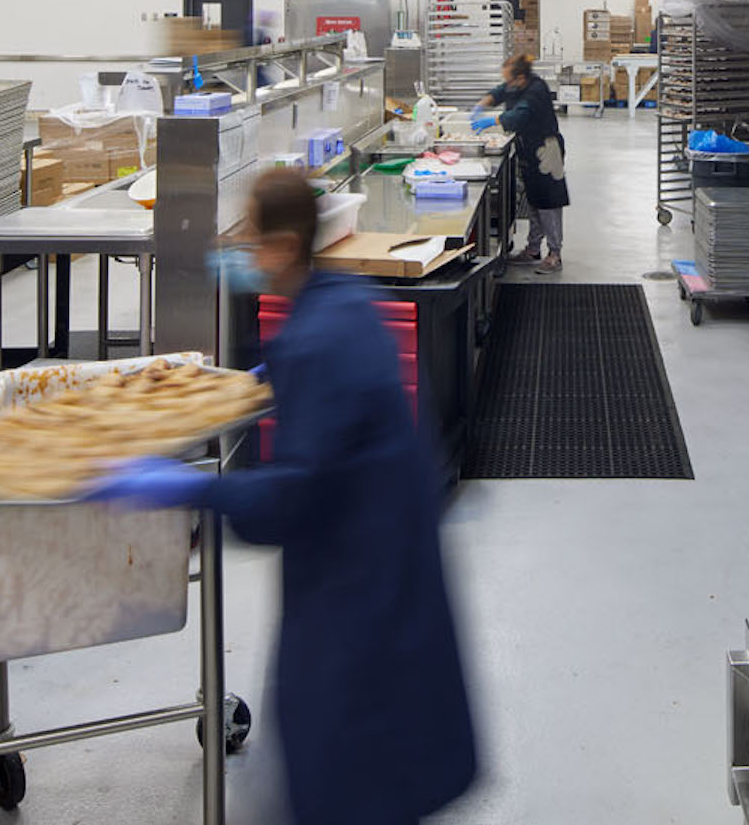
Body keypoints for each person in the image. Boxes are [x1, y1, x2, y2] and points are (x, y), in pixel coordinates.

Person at [91, 172, 477, 825]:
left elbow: (290, 502)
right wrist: (273, 379)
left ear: (281, 243)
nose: (240, 254)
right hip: (391, 573)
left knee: (343, 776)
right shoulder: (343, 302)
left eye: (249, 239)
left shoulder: (316, 339)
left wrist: (187, 487)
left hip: (356, 600)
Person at [473, 53, 570, 274]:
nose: (507, 84)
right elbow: (501, 91)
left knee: (549, 203)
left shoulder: (536, 90)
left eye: (509, 79)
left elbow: (518, 115)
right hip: (529, 150)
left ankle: (555, 254)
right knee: (535, 200)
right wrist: (483, 102)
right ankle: (533, 249)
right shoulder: (517, 84)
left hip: (547, 151)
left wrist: (492, 120)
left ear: (521, 77)